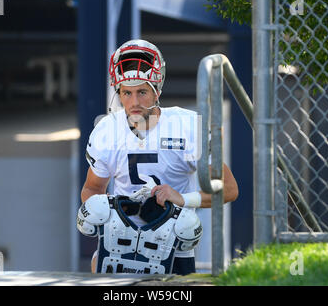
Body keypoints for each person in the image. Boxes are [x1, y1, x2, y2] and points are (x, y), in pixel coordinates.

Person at [81, 39, 239, 275]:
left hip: (172, 242)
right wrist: (105, 212)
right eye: (127, 93)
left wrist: (182, 199)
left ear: (157, 91)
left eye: (142, 92)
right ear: (118, 92)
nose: (134, 102)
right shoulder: (107, 130)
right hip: (120, 242)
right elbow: (92, 189)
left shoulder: (187, 126)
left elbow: (229, 189)